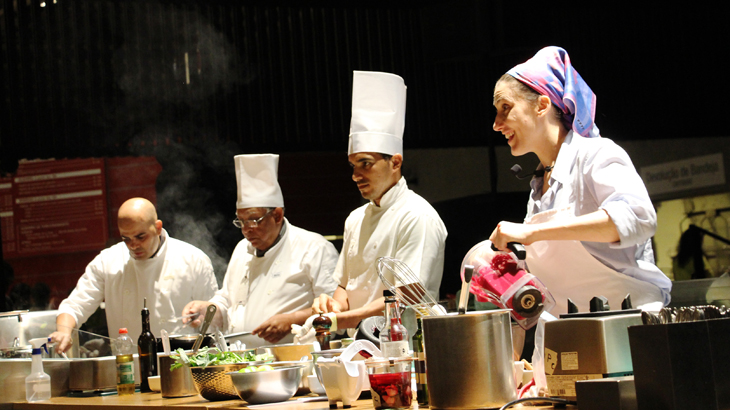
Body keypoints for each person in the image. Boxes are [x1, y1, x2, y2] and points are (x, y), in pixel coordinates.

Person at [489, 46, 671, 315]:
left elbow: (639, 217)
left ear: (542, 105)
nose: (496, 123)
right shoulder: (539, 184)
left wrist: (531, 232)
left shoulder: (596, 154)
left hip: (626, 328)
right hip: (564, 335)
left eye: (506, 107)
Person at [313, 71, 448, 331]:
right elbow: (344, 285)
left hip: (410, 346)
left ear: (395, 162)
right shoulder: (355, 218)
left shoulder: (417, 215)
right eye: (353, 165)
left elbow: (408, 295)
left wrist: (345, 319)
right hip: (360, 345)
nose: (355, 175)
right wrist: (334, 307)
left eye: (366, 164)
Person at [182, 154, 339, 347]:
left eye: (254, 220)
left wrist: (292, 320)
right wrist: (209, 309)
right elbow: (228, 302)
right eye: (241, 221)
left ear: (277, 215)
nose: (246, 229)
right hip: (242, 358)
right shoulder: (241, 249)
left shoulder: (314, 248)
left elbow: (335, 310)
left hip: (295, 358)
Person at [50, 197, 218, 353]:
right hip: (129, 369)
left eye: (140, 236)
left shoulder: (193, 260)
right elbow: (75, 306)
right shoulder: (108, 261)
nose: (133, 245)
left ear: (157, 227)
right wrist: (64, 332)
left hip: (182, 367)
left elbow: (213, 317)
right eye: (126, 239)